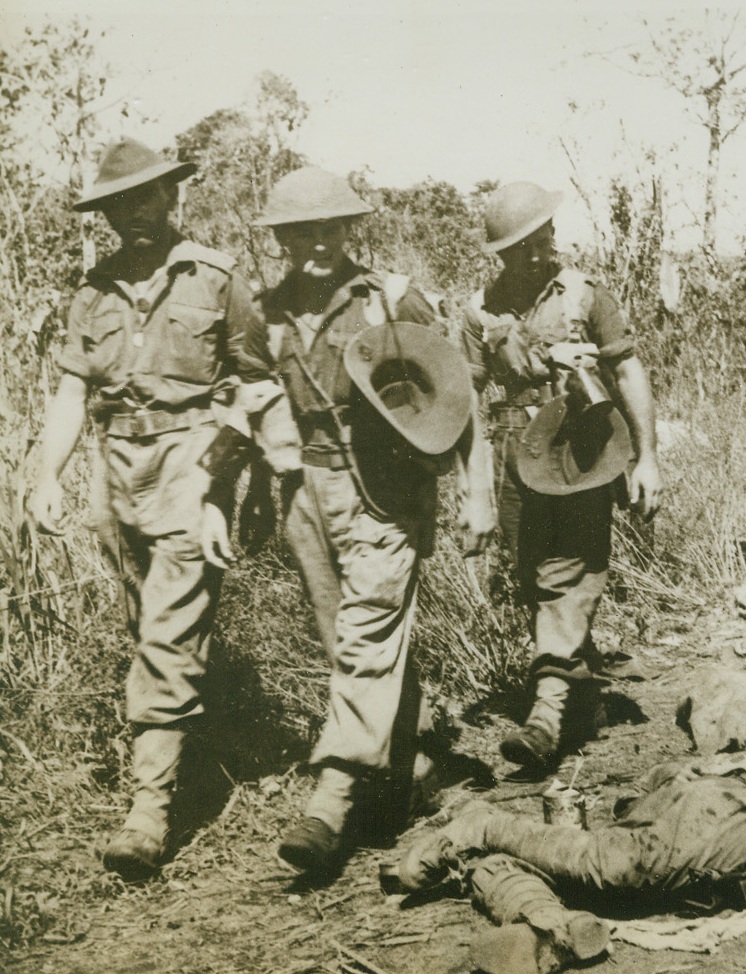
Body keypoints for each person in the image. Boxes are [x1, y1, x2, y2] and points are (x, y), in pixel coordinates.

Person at [200, 167, 494, 874]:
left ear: (349, 230)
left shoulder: (389, 302)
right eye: (303, 230)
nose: (318, 244)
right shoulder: (265, 314)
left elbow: (456, 396)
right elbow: (243, 405)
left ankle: (330, 802)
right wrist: (217, 494)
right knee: (351, 642)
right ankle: (415, 767)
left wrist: (476, 489)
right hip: (304, 488)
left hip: (386, 491)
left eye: (331, 228)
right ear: (281, 237)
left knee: (366, 634)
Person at [27, 138, 274, 880]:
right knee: (147, 626)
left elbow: (257, 384)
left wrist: (234, 482)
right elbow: (73, 391)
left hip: (189, 462)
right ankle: (190, 750)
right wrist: (46, 477)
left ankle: (149, 809)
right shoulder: (93, 290)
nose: (133, 215)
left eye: (146, 198)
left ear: (171, 198)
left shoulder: (216, 279)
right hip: (114, 470)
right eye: (117, 205)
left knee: (167, 632)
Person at [388, 723, 746, 973]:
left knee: (614, 868)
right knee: (618, 863)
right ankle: (485, 827)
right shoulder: (745, 746)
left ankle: (549, 923)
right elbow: (646, 793)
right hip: (695, 799)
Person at [460, 182, 663, 770]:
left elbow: (628, 369)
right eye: (520, 245)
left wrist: (646, 457)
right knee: (534, 579)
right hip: (514, 453)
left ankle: (546, 711)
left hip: (582, 450)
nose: (536, 252)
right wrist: (473, 486)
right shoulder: (478, 311)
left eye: (541, 237)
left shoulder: (583, 296)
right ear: (502, 252)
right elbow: (467, 395)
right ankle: (584, 699)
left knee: (569, 572)